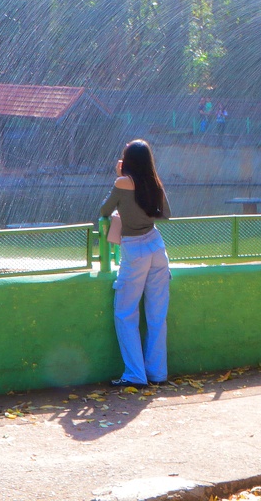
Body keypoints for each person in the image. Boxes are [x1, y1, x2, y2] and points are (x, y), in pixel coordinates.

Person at [100, 139, 172, 387]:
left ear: (128, 160)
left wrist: (120, 177)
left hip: (135, 249)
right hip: (156, 245)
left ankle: (135, 375)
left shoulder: (122, 182)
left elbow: (104, 210)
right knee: (156, 315)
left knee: (125, 313)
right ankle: (157, 373)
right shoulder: (154, 181)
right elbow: (165, 214)